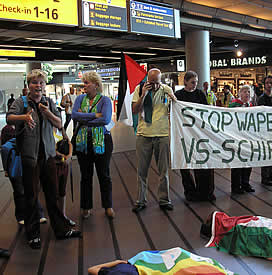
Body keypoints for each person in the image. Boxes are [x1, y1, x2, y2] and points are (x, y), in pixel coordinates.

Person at [7, 69, 81, 249]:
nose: (38, 86)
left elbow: (59, 124)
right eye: (34, 83)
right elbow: (9, 118)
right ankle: (33, 235)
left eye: (40, 83)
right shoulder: (21, 102)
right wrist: (24, 117)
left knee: (53, 194)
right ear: (29, 85)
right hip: (29, 157)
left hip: (48, 156)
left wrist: (47, 112)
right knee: (31, 196)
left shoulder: (49, 102)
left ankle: (61, 230)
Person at [131, 68, 176, 213]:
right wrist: (144, 95)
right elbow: (134, 110)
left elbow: (176, 108)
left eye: (158, 82)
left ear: (161, 80)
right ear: (147, 81)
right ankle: (140, 200)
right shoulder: (139, 89)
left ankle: (164, 199)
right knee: (141, 171)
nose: (155, 86)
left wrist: (174, 99)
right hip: (144, 135)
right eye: (152, 83)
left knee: (163, 170)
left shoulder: (166, 89)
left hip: (162, 135)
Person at [72, 71, 115, 219]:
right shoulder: (79, 99)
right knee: (85, 176)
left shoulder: (105, 101)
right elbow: (74, 115)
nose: (84, 86)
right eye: (84, 82)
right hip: (83, 142)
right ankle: (86, 207)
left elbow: (106, 119)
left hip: (102, 141)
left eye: (87, 83)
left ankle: (108, 206)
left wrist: (84, 119)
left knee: (104, 175)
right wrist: (95, 115)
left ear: (96, 85)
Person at [175, 71, 215, 202]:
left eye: (196, 82)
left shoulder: (200, 94)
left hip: (198, 133)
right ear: (185, 82)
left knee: (200, 162)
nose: (195, 84)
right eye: (192, 82)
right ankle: (190, 191)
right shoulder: (178, 96)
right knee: (185, 165)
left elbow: (206, 110)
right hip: (184, 133)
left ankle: (204, 191)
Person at [0, 123, 47, 225]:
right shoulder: (7, 130)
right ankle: (23, 215)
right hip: (14, 162)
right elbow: (4, 149)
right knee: (19, 191)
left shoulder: (25, 125)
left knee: (29, 189)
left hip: (24, 161)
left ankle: (37, 214)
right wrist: (6, 169)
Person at [88, 247, 234, 275]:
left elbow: (91, 270)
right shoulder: (115, 270)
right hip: (139, 265)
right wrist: (117, 261)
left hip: (140, 264)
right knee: (183, 258)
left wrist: (117, 262)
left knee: (181, 256)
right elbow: (92, 269)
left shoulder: (113, 272)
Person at [228, 85, 255, 194]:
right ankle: (236, 186)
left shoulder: (251, 106)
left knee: (247, 161)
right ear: (240, 93)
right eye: (244, 91)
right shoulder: (234, 105)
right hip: (237, 138)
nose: (247, 94)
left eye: (248, 92)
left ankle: (245, 183)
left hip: (248, 138)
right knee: (237, 163)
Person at [257, 76, 272, 186]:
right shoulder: (261, 99)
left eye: (271, 83)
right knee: (266, 153)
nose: (269, 85)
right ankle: (265, 177)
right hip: (265, 129)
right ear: (264, 85)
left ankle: (270, 174)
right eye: (267, 83)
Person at [55, 127, 75, 226]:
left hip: (63, 165)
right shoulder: (46, 128)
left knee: (62, 191)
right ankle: (57, 218)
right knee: (54, 192)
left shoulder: (59, 127)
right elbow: (50, 148)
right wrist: (63, 156)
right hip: (54, 164)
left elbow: (69, 142)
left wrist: (70, 154)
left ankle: (63, 215)